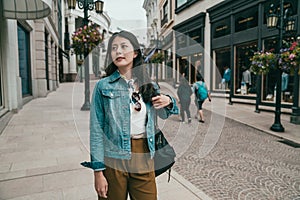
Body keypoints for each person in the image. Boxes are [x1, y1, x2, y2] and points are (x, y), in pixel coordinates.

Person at [81, 30, 178, 200]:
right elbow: (96, 131)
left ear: (135, 53)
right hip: (113, 159)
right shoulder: (103, 87)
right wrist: (98, 172)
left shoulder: (149, 86)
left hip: (144, 156)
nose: (118, 51)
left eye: (124, 46)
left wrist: (169, 101)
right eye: (114, 48)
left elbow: (163, 113)